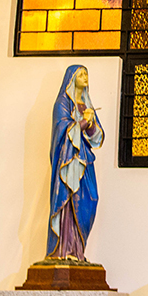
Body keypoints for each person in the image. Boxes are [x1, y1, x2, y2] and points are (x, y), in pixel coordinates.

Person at [47, 65, 104, 261]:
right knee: (68, 201)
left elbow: (96, 138)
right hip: (68, 162)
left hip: (85, 161)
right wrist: (84, 122)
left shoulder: (87, 105)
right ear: (71, 79)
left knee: (90, 199)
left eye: (86, 73)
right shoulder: (62, 103)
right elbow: (62, 129)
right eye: (80, 74)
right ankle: (65, 250)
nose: (85, 77)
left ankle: (78, 251)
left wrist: (91, 123)